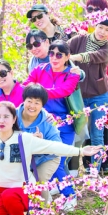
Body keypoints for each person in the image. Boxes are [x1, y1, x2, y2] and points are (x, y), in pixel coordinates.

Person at [73, 0, 108, 174]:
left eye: (98, 9)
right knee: (86, 124)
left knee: (104, 122)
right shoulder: (82, 29)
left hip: (107, 79)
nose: (94, 13)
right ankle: (89, 164)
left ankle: (104, 164)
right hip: (84, 82)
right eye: (90, 9)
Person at [23, 40, 81, 195]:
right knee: (45, 162)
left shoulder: (72, 73)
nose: (54, 58)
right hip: (43, 122)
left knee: (58, 161)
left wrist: (38, 91)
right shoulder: (39, 70)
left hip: (64, 123)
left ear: (67, 56)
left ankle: (69, 195)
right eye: (51, 53)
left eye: (59, 54)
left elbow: (64, 91)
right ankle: (54, 194)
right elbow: (26, 86)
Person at [67, 19, 108, 174]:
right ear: (95, 26)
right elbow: (63, 49)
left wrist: (73, 58)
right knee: (74, 131)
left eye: (107, 30)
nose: (102, 32)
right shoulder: (80, 39)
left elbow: (92, 57)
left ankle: (95, 170)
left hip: (99, 95)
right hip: (78, 95)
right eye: (100, 27)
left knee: (97, 133)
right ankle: (69, 169)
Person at [17, 83, 76, 207]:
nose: (32, 106)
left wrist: (41, 143)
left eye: (37, 103)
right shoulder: (13, 116)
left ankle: (42, 213)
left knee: (39, 181)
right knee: (19, 183)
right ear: (24, 101)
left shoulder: (47, 121)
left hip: (47, 158)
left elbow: (57, 146)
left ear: (42, 105)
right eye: (29, 101)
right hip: (22, 158)